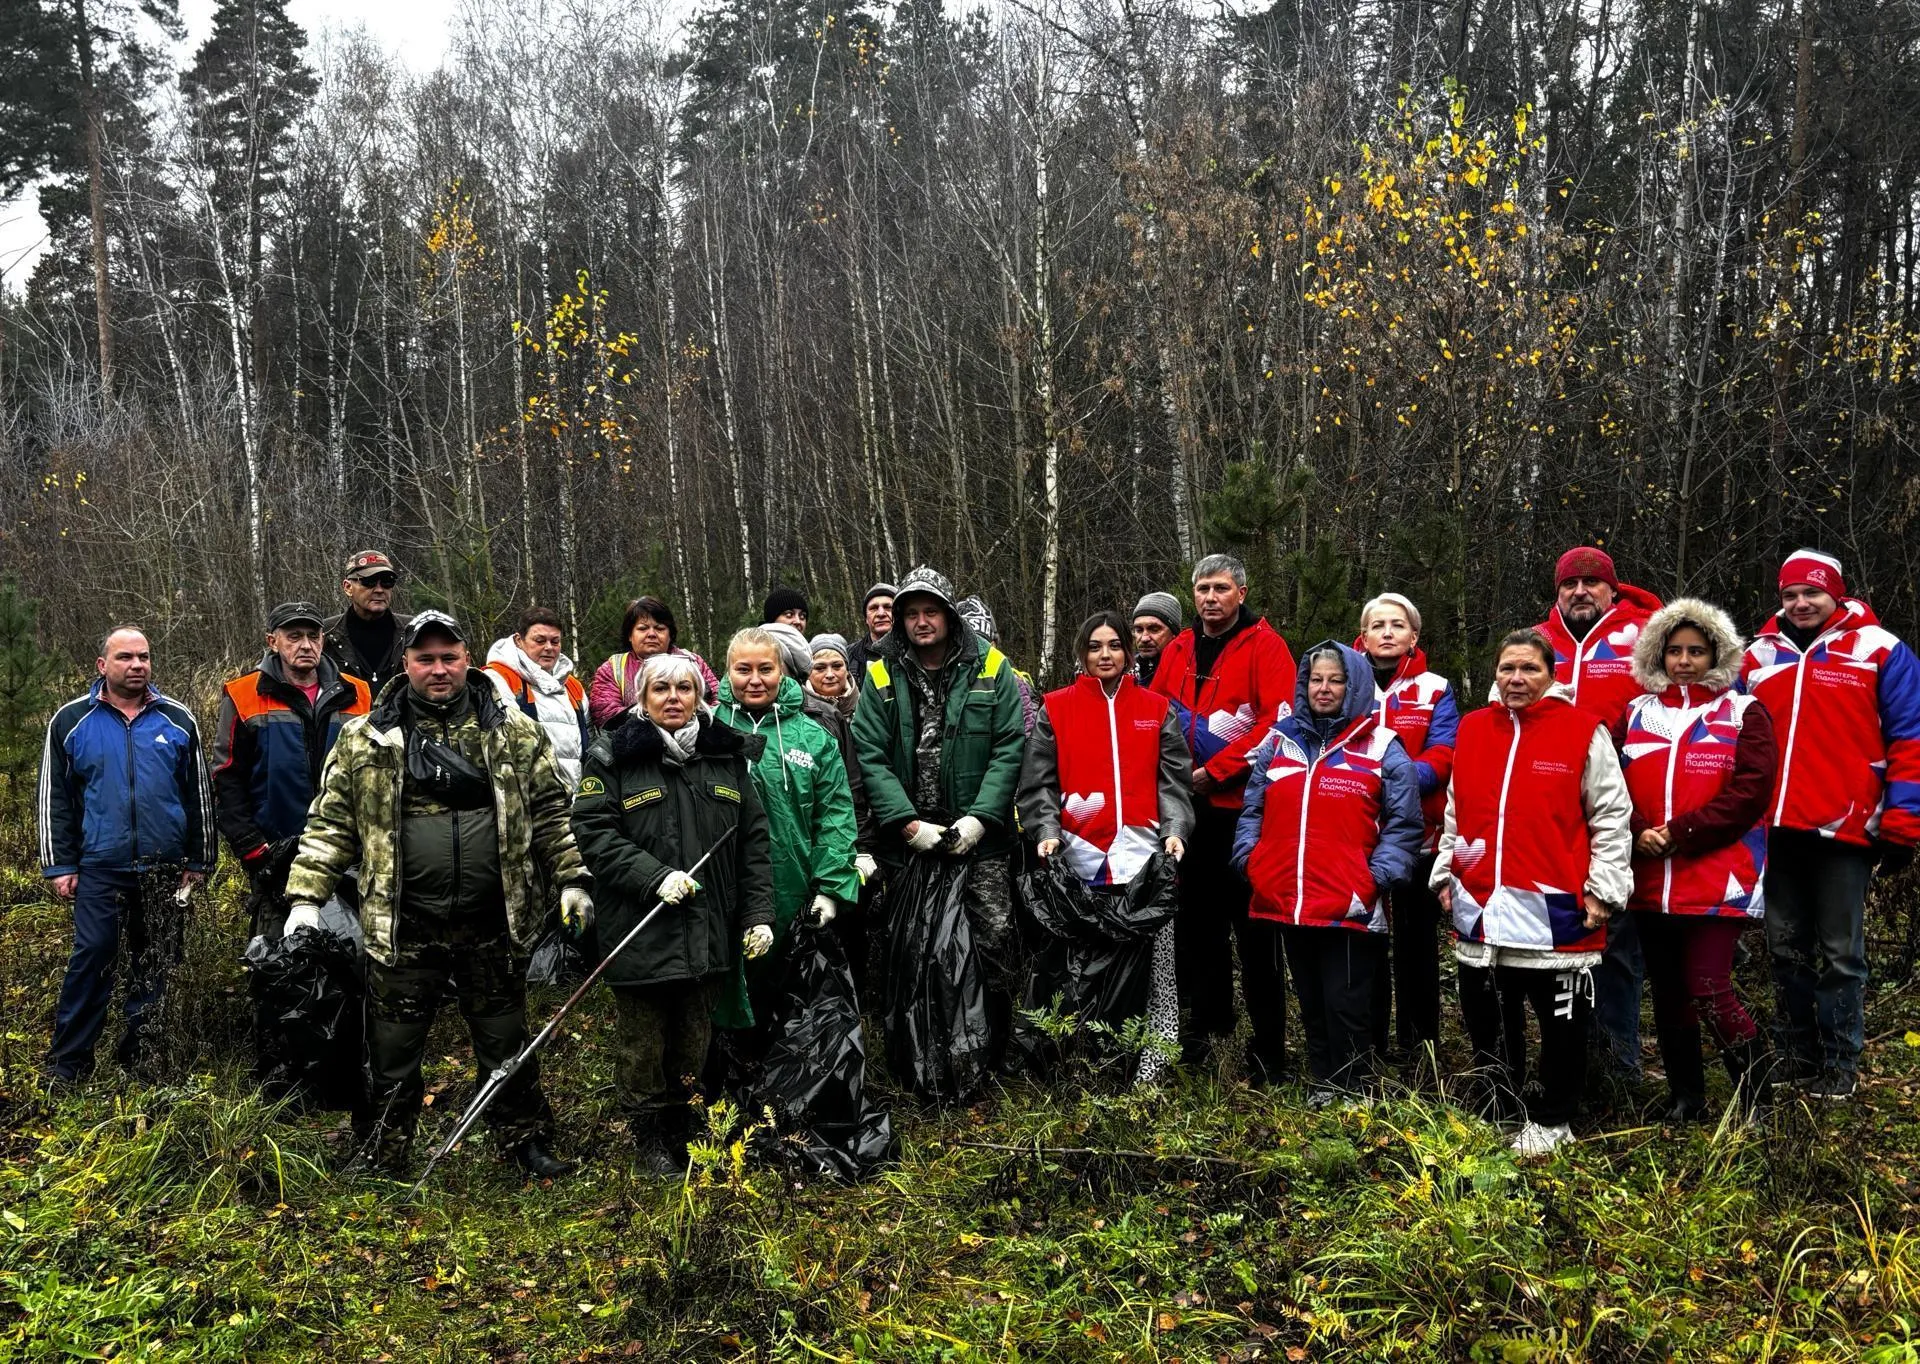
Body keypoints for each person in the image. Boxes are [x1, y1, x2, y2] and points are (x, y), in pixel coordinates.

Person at [284, 610, 589, 1177]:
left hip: (493, 918)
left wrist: (571, 878)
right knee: (392, 1047)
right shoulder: (366, 736)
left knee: (506, 1040)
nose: (439, 669)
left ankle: (524, 1141)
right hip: (402, 921)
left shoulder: (513, 729)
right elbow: (331, 823)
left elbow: (549, 810)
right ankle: (383, 1147)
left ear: (467, 659)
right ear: (406, 665)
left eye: (449, 657)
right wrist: (306, 898)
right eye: (425, 659)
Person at [571, 653, 775, 1174]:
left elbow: (752, 841)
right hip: (639, 933)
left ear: (700, 696)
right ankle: (648, 1136)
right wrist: (653, 877)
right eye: (660, 688)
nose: (673, 698)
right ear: (642, 697)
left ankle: (687, 1126)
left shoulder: (725, 758)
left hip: (708, 929)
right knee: (643, 1042)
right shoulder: (611, 757)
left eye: (684, 688)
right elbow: (594, 834)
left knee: (694, 1036)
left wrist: (758, 915)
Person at [1432, 628, 1633, 1156]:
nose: (1516, 678)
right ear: (1495, 674)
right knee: (1487, 1017)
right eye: (1507, 669)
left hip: (1557, 907)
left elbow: (1611, 816)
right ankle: (1500, 1105)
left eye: (1530, 669)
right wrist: (1445, 875)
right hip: (1480, 904)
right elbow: (1456, 812)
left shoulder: (1583, 730)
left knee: (1560, 1023)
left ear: (1552, 675)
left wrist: (1604, 890)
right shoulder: (1474, 729)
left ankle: (1553, 1118)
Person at [1740, 550, 1920, 1100]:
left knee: (1841, 953)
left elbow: (1911, 736)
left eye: (1812, 593)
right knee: (1785, 947)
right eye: (1791, 594)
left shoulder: (1879, 649)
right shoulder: (1754, 657)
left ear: (1835, 594)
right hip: (1775, 829)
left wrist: (1904, 818)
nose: (1800, 603)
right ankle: (1796, 1054)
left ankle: (1840, 1064)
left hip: (1847, 828)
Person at [852, 566, 1028, 1076]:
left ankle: (992, 1051)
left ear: (949, 616)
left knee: (991, 939)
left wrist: (980, 819)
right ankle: (914, 1060)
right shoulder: (881, 672)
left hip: (980, 841)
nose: (921, 622)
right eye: (911, 613)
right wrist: (906, 824)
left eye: (930, 612)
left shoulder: (992, 667)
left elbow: (1009, 746)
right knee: (905, 945)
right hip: (908, 842)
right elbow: (869, 750)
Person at [1232, 643, 1422, 1104]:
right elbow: (1252, 809)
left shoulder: (1381, 746)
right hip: (1288, 897)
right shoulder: (1280, 741)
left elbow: (1404, 825)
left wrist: (1373, 879)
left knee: (1347, 1001)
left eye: (1335, 680)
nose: (1324, 688)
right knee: (1312, 999)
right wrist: (1251, 861)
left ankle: (1354, 1087)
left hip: (1348, 901)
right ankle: (1323, 1081)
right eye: (1316, 679)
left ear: (1354, 686)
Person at [1016, 612, 1194, 1085]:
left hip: (1143, 861)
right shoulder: (1057, 707)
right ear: (1081, 653)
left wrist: (1175, 828)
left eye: (1115, 645)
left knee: (1155, 969)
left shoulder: (1156, 708)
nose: (1105, 655)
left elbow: (1173, 782)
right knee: (1082, 968)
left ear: (1129, 652)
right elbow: (1038, 785)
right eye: (1095, 646)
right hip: (1079, 859)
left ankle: (1150, 1068)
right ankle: (1082, 1065)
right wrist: (1045, 831)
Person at [38, 627, 216, 1082]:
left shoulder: (177, 719)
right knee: (93, 957)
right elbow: (55, 797)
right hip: (100, 865)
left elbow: (198, 796)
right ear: (103, 665)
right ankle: (68, 1065)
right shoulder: (71, 720)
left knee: (156, 962)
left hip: (163, 867)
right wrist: (60, 865)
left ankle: (142, 1059)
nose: (136, 665)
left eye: (144, 657)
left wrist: (198, 860)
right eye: (125, 657)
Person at [1621, 599, 1776, 1120]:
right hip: (1650, 879)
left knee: (1710, 988)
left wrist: (1682, 833)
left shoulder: (1742, 711)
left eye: (1697, 651)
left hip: (1718, 876)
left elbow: (1751, 792)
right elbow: (1612, 789)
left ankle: (1759, 1097)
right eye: (1674, 651)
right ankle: (1687, 1098)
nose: (1684, 661)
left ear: (1717, 654)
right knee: (1668, 994)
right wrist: (1639, 833)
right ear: (1657, 655)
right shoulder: (1636, 713)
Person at [1147, 552, 1298, 1078]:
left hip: (1243, 813)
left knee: (1255, 935)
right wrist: (1171, 776)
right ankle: (1209, 1034)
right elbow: (1155, 713)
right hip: (1188, 815)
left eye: (1220, 589)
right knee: (1198, 930)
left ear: (1241, 591)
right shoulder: (1180, 648)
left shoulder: (1268, 646)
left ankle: (1269, 1049)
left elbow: (1278, 725)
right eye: (1202, 589)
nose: (1210, 599)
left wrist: (1220, 771)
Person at [1536, 546, 1663, 1084]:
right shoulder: (1537, 642)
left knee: (1615, 940)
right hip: (1553, 815)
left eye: (1592, 582)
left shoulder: (1646, 636)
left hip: (1624, 813)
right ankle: (1567, 1062)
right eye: (1570, 584)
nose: (1580, 591)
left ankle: (1619, 1066)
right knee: (1561, 939)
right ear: (1557, 591)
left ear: (1613, 588)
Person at [713, 628, 862, 1037]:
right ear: (728, 672)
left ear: (783, 672)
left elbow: (835, 814)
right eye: (744, 669)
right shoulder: (707, 728)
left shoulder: (813, 735)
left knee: (785, 993)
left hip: (793, 886)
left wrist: (831, 887)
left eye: (766, 668)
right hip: (721, 886)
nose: (755, 679)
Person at [212, 601, 372, 937]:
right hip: (276, 854)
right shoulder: (243, 695)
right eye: (294, 636)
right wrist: (254, 850)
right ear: (273, 642)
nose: (305, 645)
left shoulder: (358, 693)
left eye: (313, 636)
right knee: (281, 960)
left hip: (348, 852)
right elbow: (227, 778)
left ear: (323, 641)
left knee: (353, 957)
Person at [1354, 593, 1458, 1061]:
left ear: (1414, 636)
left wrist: (1393, 779)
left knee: (1416, 949)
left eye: (1398, 625)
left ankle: (1421, 1053)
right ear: (1364, 635)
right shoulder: (1344, 682)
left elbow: (1443, 754)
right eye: (1378, 625)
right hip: (1357, 838)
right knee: (1366, 943)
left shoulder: (1435, 688)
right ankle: (1369, 1048)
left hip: (1420, 837)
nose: (1388, 632)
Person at [485, 607, 591, 790]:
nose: (549, 648)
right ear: (519, 640)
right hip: (527, 798)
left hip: (577, 798)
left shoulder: (573, 686)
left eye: (555, 641)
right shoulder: (498, 679)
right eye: (540, 641)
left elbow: (589, 739)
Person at [588, 596, 720, 727]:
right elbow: (606, 715)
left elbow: (717, 704)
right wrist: (660, 723)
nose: (651, 634)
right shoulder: (613, 669)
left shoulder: (693, 662)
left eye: (659, 628)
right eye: (643, 628)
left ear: (670, 634)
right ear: (629, 635)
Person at [322, 549, 413, 697]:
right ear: (348, 587)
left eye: (387, 582)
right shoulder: (324, 634)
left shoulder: (414, 630)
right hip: (346, 719)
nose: (379, 590)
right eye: (368, 582)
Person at [957, 595, 1038, 734]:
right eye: (967, 644)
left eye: (981, 643)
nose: (973, 651)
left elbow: (1029, 736)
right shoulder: (944, 679)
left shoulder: (1014, 683)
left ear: (994, 645)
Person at [844, 583, 896, 681]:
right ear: (866, 619)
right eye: (874, 608)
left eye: (888, 607)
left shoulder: (916, 652)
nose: (881, 614)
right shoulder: (848, 656)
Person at [1131, 593, 1182, 688]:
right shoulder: (1123, 674)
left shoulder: (1188, 674)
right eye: (1139, 630)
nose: (1144, 638)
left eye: (1154, 629)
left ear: (1174, 634)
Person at [808, 632, 858, 720]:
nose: (830, 674)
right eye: (820, 668)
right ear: (808, 673)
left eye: (837, 666)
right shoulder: (797, 709)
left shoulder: (867, 706)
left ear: (847, 670)